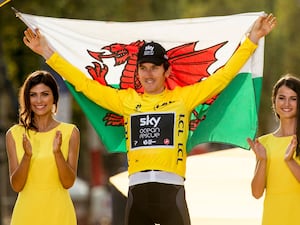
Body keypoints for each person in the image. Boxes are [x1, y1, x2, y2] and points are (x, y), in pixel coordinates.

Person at [22, 13, 276, 225]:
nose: (148, 73)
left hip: (172, 191)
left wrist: (252, 39)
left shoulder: (183, 99)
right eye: (143, 67)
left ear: (167, 71)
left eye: (154, 67)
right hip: (137, 192)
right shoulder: (127, 100)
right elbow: (83, 84)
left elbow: (223, 76)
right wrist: (47, 51)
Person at [5, 70, 80, 225]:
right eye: (33, 95)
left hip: (59, 214)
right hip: (26, 215)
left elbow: (68, 183)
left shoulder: (70, 132)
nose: (39, 100)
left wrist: (57, 152)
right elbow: (17, 186)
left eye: (45, 94)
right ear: (27, 98)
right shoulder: (14, 135)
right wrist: (27, 156)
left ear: (54, 97)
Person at [247, 74, 300, 225]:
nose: (287, 103)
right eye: (281, 97)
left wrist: (289, 161)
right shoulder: (264, 143)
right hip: (273, 218)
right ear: (274, 101)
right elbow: (256, 193)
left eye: (293, 98)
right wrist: (262, 160)